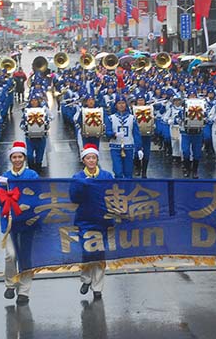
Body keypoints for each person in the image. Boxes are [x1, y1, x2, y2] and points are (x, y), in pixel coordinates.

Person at [0, 141, 39, 306]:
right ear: (11, 158)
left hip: (27, 223)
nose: (17, 160)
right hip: (10, 223)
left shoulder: (32, 176)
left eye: (20, 157)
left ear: (24, 158)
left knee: (26, 258)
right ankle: (10, 284)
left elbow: (38, 195)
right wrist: (5, 197)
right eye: (14, 157)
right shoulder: (5, 177)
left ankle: (24, 292)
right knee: (10, 256)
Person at [69, 144, 114, 300]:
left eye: (94, 158)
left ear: (97, 159)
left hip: (103, 219)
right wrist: (83, 187)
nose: (91, 160)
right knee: (88, 251)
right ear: (83, 160)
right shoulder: (77, 178)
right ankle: (86, 278)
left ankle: (97, 288)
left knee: (100, 253)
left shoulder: (107, 176)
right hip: (85, 220)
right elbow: (73, 198)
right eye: (88, 158)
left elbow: (113, 195)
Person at [105, 95, 142, 178]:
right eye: (119, 103)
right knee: (118, 171)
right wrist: (113, 134)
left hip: (129, 147)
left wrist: (139, 148)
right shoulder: (111, 118)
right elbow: (107, 132)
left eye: (123, 103)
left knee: (128, 172)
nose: (121, 105)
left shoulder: (132, 118)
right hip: (115, 147)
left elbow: (136, 134)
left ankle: (128, 189)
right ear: (116, 105)